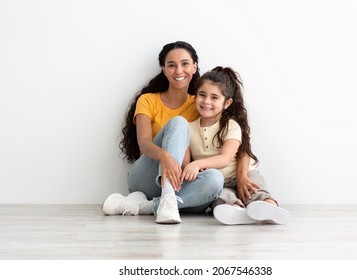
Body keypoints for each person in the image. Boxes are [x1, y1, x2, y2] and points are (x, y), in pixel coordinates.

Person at [102, 41, 224, 224]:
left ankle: (144, 206)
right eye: (171, 65)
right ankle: (166, 196)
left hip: (180, 182)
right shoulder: (147, 100)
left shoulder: (201, 103)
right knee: (179, 123)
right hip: (146, 179)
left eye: (185, 64)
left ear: (194, 67)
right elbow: (143, 144)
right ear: (164, 70)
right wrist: (165, 156)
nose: (179, 71)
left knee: (215, 179)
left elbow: (230, 131)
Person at [181, 66, 290, 225]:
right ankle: (236, 212)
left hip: (242, 173)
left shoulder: (231, 126)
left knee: (255, 191)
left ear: (227, 103)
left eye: (214, 98)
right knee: (222, 198)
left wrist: (198, 164)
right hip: (218, 182)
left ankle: (269, 208)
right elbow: (185, 161)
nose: (206, 102)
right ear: (195, 96)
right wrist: (191, 167)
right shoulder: (188, 128)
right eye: (202, 95)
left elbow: (225, 158)